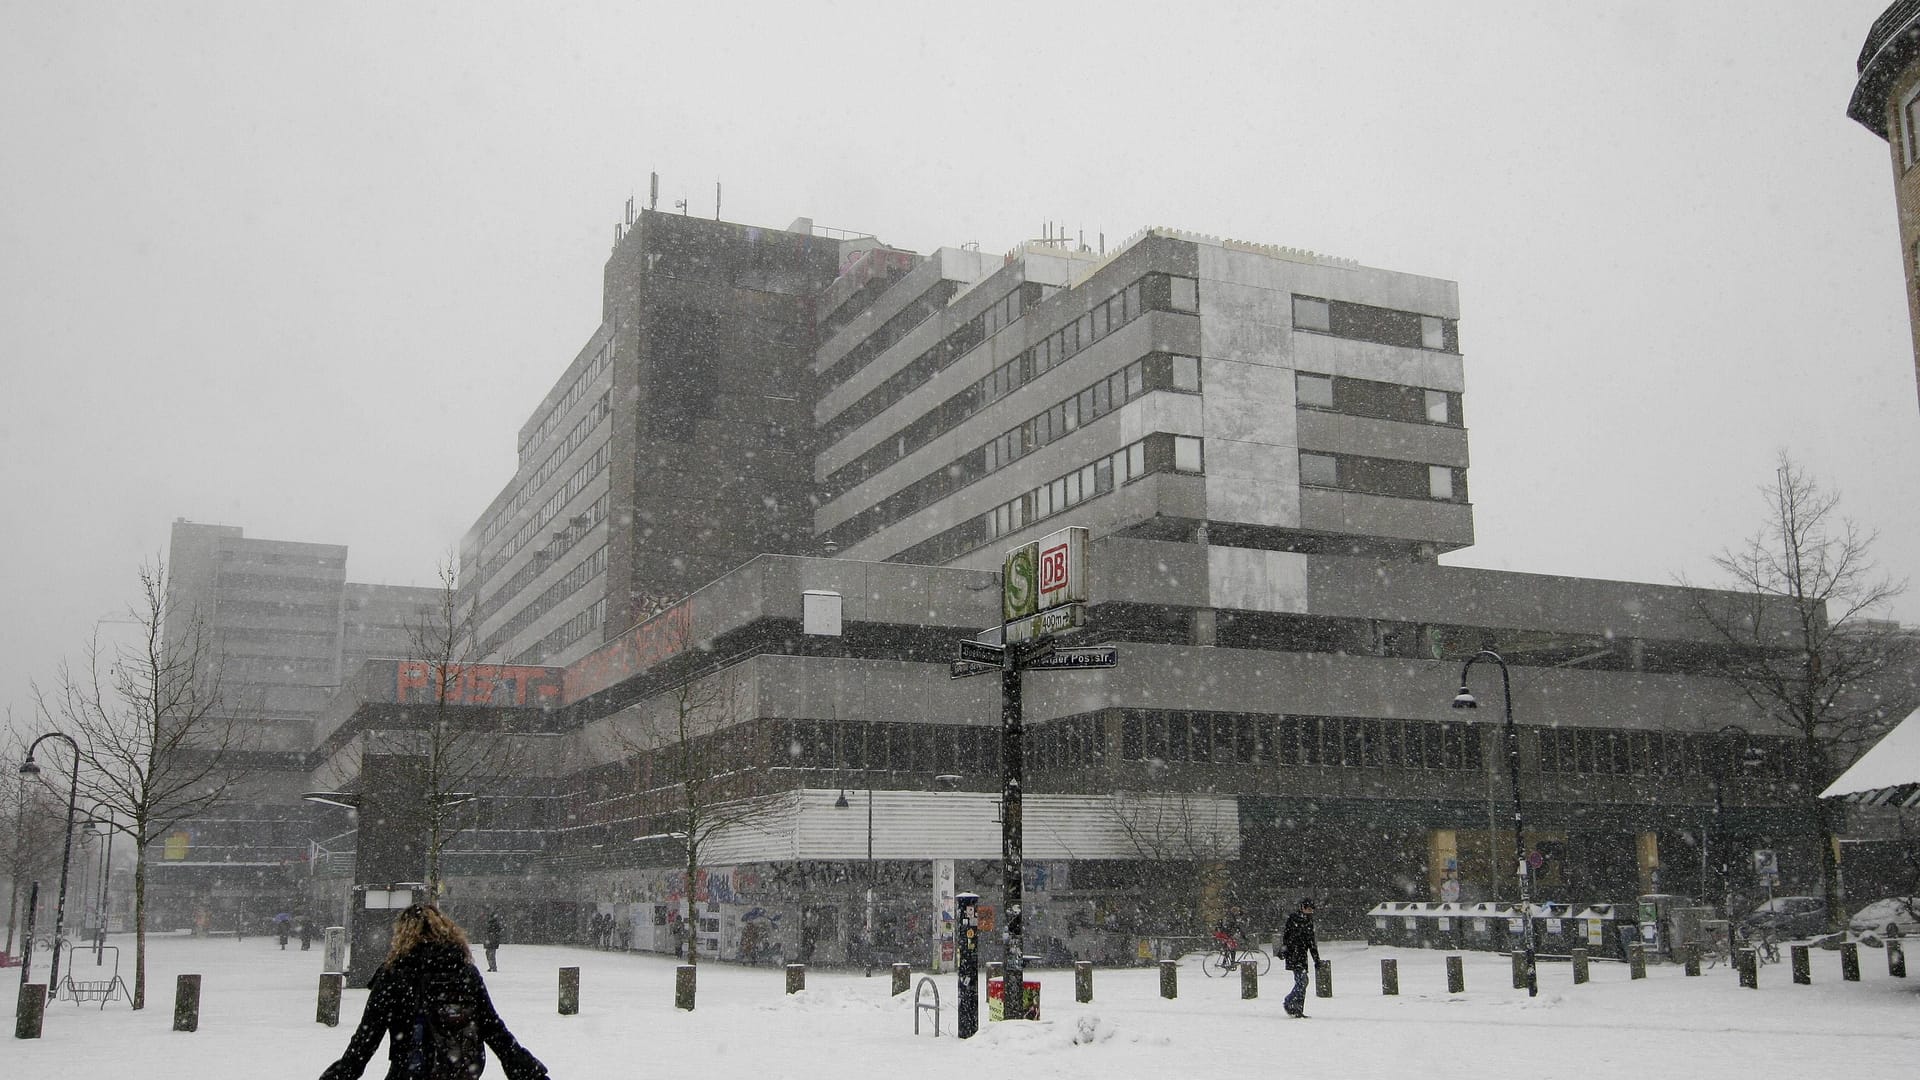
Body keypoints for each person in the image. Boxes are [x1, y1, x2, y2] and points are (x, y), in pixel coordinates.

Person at [319, 905, 547, 1080]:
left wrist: (340, 1073)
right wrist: (530, 1072)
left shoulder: (395, 974)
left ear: (402, 935)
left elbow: (365, 1041)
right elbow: (494, 1029)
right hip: (457, 1071)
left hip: (408, 1071)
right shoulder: (464, 972)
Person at [1281, 898, 1321, 1018]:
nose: (1310, 911)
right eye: (1308, 909)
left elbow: (1311, 942)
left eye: (1311, 909)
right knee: (1302, 981)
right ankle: (1289, 1002)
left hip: (1301, 954)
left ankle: (1297, 1008)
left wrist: (1316, 959)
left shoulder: (1308, 921)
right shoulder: (1295, 919)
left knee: (1302, 981)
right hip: (1294, 954)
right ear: (1302, 907)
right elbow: (1288, 937)